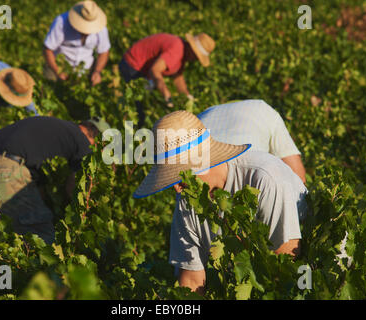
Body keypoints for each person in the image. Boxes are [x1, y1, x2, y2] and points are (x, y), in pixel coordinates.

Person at [133, 110, 308, 294]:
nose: (177, 189)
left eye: (179, 176)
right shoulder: (187, 197)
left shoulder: (266, 179)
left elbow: (286, 261)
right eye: (171, 180)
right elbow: (191, 282)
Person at [0, 116, 110, 244]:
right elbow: (74, 188)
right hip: (4, 167)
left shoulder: (58, 129)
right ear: (98, 142)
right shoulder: (83, 142)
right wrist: (82, 215)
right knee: (42, 235)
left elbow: (35, 177)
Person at [197, 99, 307, 183]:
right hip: (247, 174)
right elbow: (298, 177)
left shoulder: (203, 114)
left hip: (198, 176)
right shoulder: (263, 109)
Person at [119, 32, 215, 125]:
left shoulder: (182, 51)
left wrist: (186, 96)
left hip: (142, 70)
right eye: (196, 56)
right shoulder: (176, 50)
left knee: (145, 104)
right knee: (137, 110)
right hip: (132, 66)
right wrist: (166, 94)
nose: (195, 60)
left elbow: (178, 77)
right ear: (192, 49)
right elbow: (155, 70)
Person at [43, 1, 110, 86]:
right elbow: (47, 49)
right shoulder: (61, 22)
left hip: (85, 69)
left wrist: (97, 71)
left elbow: (103, 52)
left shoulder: (101, 28)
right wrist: (57, 71)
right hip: (58, 66)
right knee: (50, 88)